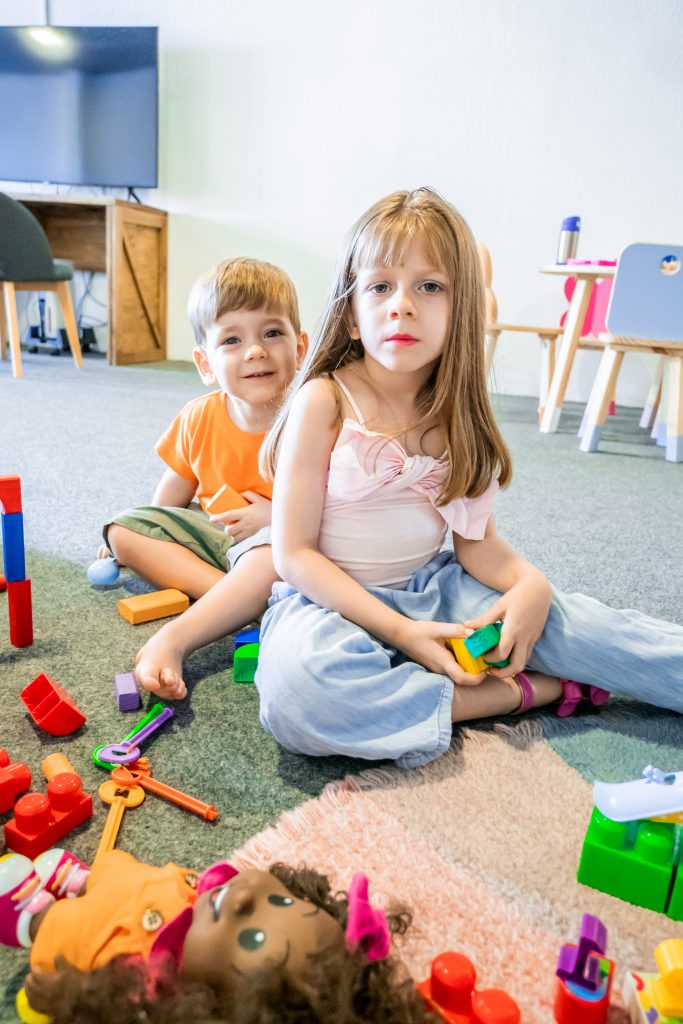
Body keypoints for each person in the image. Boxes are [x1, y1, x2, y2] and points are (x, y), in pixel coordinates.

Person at [255, 187, 683, 769]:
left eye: (429, 286)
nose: (401, 305)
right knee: (302, 696)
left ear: (462, 311)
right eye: (380, 286)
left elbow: (475, 545)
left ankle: (488, 672)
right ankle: (523, 691)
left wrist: (530, 585)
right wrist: (405, 637)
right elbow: (296, 556)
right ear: (351, 314)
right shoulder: (323, 400)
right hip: (325, 605)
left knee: (583, 630)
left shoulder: (455, 413)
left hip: (437, 589)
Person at [98, 257, 307, 699]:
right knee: (121, 528)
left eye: (272, 333)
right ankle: (230, 600)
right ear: (205, 362)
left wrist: (274, 516)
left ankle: (186, 632)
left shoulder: (313, 415)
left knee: (270, 558)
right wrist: (145, 532)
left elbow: (340, 502)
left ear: (300, 347)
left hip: (283, 546)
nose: (255, 351)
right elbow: (171, 497)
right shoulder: (198, 416)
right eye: (232, 339)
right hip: (217, 542)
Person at [0, 846, 430, 1024]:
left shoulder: (137, 986)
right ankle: (83, 881)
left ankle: (34, 914)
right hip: (128, 886)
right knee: (116, 864)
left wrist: (57, 995)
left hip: (92, 930)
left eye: (252, 941)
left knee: (62, 933)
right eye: (281, 902)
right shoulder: (208, 904)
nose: (245, 899)